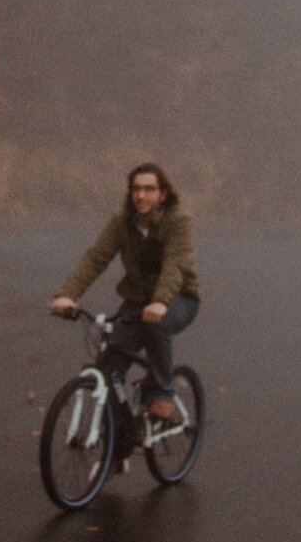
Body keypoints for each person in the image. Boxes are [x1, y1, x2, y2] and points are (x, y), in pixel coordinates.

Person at [50, 162, 202, 416]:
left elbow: (176, 264)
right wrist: (67, 295)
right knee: (110, 367)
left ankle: (163, 392)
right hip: (137, 300)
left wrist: (161, 301)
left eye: (149, 189)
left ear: (163, 194)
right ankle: (120, 446)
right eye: (136, 189)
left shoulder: (178, 220)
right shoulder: (122, 221)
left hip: (179, 298)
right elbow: (96, 258)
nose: (141, 195)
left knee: (157, 324)